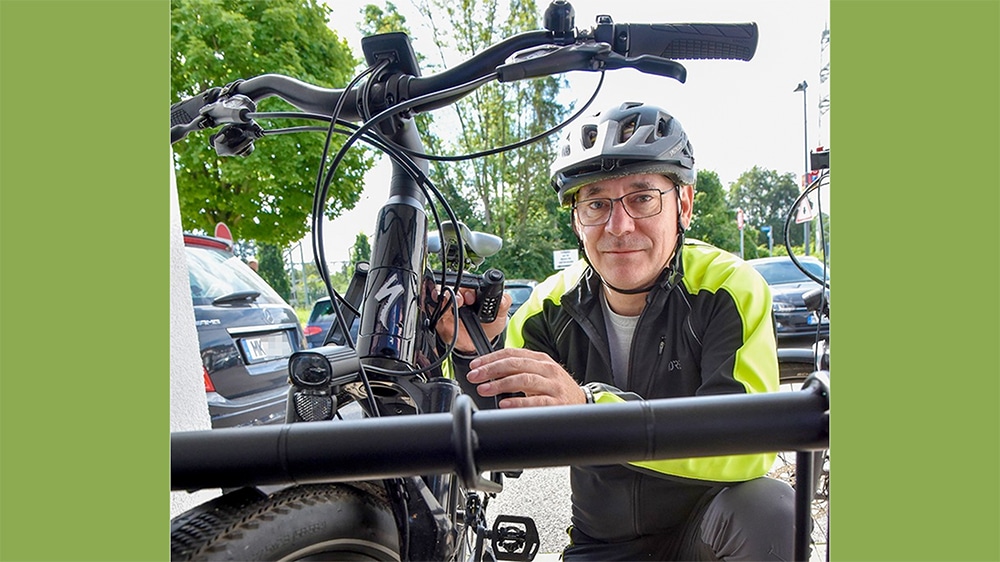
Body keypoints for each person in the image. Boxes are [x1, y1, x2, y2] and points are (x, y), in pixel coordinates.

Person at [443, 101, 794, 560]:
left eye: (642, 197)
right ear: (576, 219)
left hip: (706, 536)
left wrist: (590, 408)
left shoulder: (729, 288)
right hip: (600, 546)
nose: (619, 226)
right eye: (596, 203)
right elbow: (502, 449)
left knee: (772, 508)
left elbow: (748, 449)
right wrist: (475, 350)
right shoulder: (548, 307)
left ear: (683, 205)